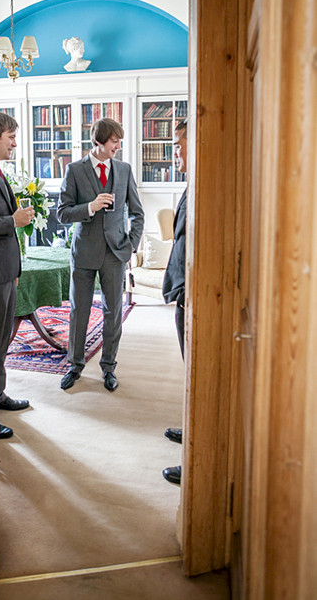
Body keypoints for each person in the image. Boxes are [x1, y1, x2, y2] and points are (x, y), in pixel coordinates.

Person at [57, 118, 144, 391]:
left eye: (119, 142)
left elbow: (137, 213)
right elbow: (62, 213)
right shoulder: (74, 170)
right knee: (79, 311)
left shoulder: (124, 169)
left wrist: (131, 245)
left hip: (116, 252)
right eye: (114, 142)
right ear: (98, 143)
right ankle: (75, 365)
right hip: (84, 252)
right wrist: (90, 207)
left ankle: (109, 367)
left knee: (113, 312)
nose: (118, 147)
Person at [0, 111, 35, 439]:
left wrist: (15, 270)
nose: (15, 143)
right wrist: (13, 221)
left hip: (6, 272)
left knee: (3, 340)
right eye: (10, 137)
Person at [161, 119, 187, 485]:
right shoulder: (191, 184)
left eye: (180, 145)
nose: (176, 152)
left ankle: (198, 451)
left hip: (195, 294)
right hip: (186, 294)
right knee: (192, 370)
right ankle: (193, 428)